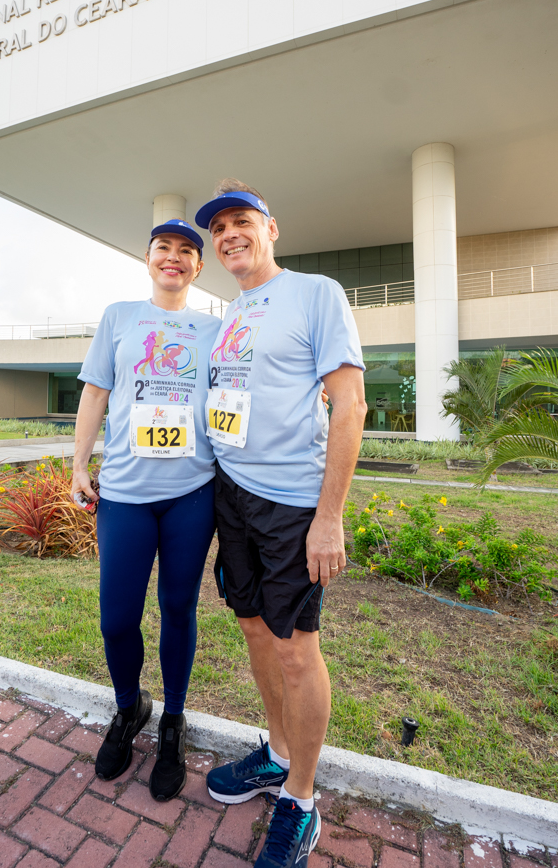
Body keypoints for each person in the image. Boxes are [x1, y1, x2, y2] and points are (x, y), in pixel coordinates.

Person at [195, 180, 367, 867]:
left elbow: (348, 404)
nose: (228, 234)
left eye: (241, 221)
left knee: (296, 648)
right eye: (218, 229)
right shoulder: (231, 313)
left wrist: (329, 518)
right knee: (252, 628)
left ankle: (300, 797)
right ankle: (276, 751)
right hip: (230, 495)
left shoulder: (314, 292)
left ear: (271, 230)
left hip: (291, 506)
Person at [71, 218, 221, 802]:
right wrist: (79, 464)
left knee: (178, 610)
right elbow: (95, 392)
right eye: (165, 248)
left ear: (198, 266)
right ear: (148, 256)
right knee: (116, 618)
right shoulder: (120, 317)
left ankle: (174, 723)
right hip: (127, 495)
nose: (175, 258)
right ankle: (131, 707)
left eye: (187, 251)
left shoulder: (215, 327)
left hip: (191, 493)